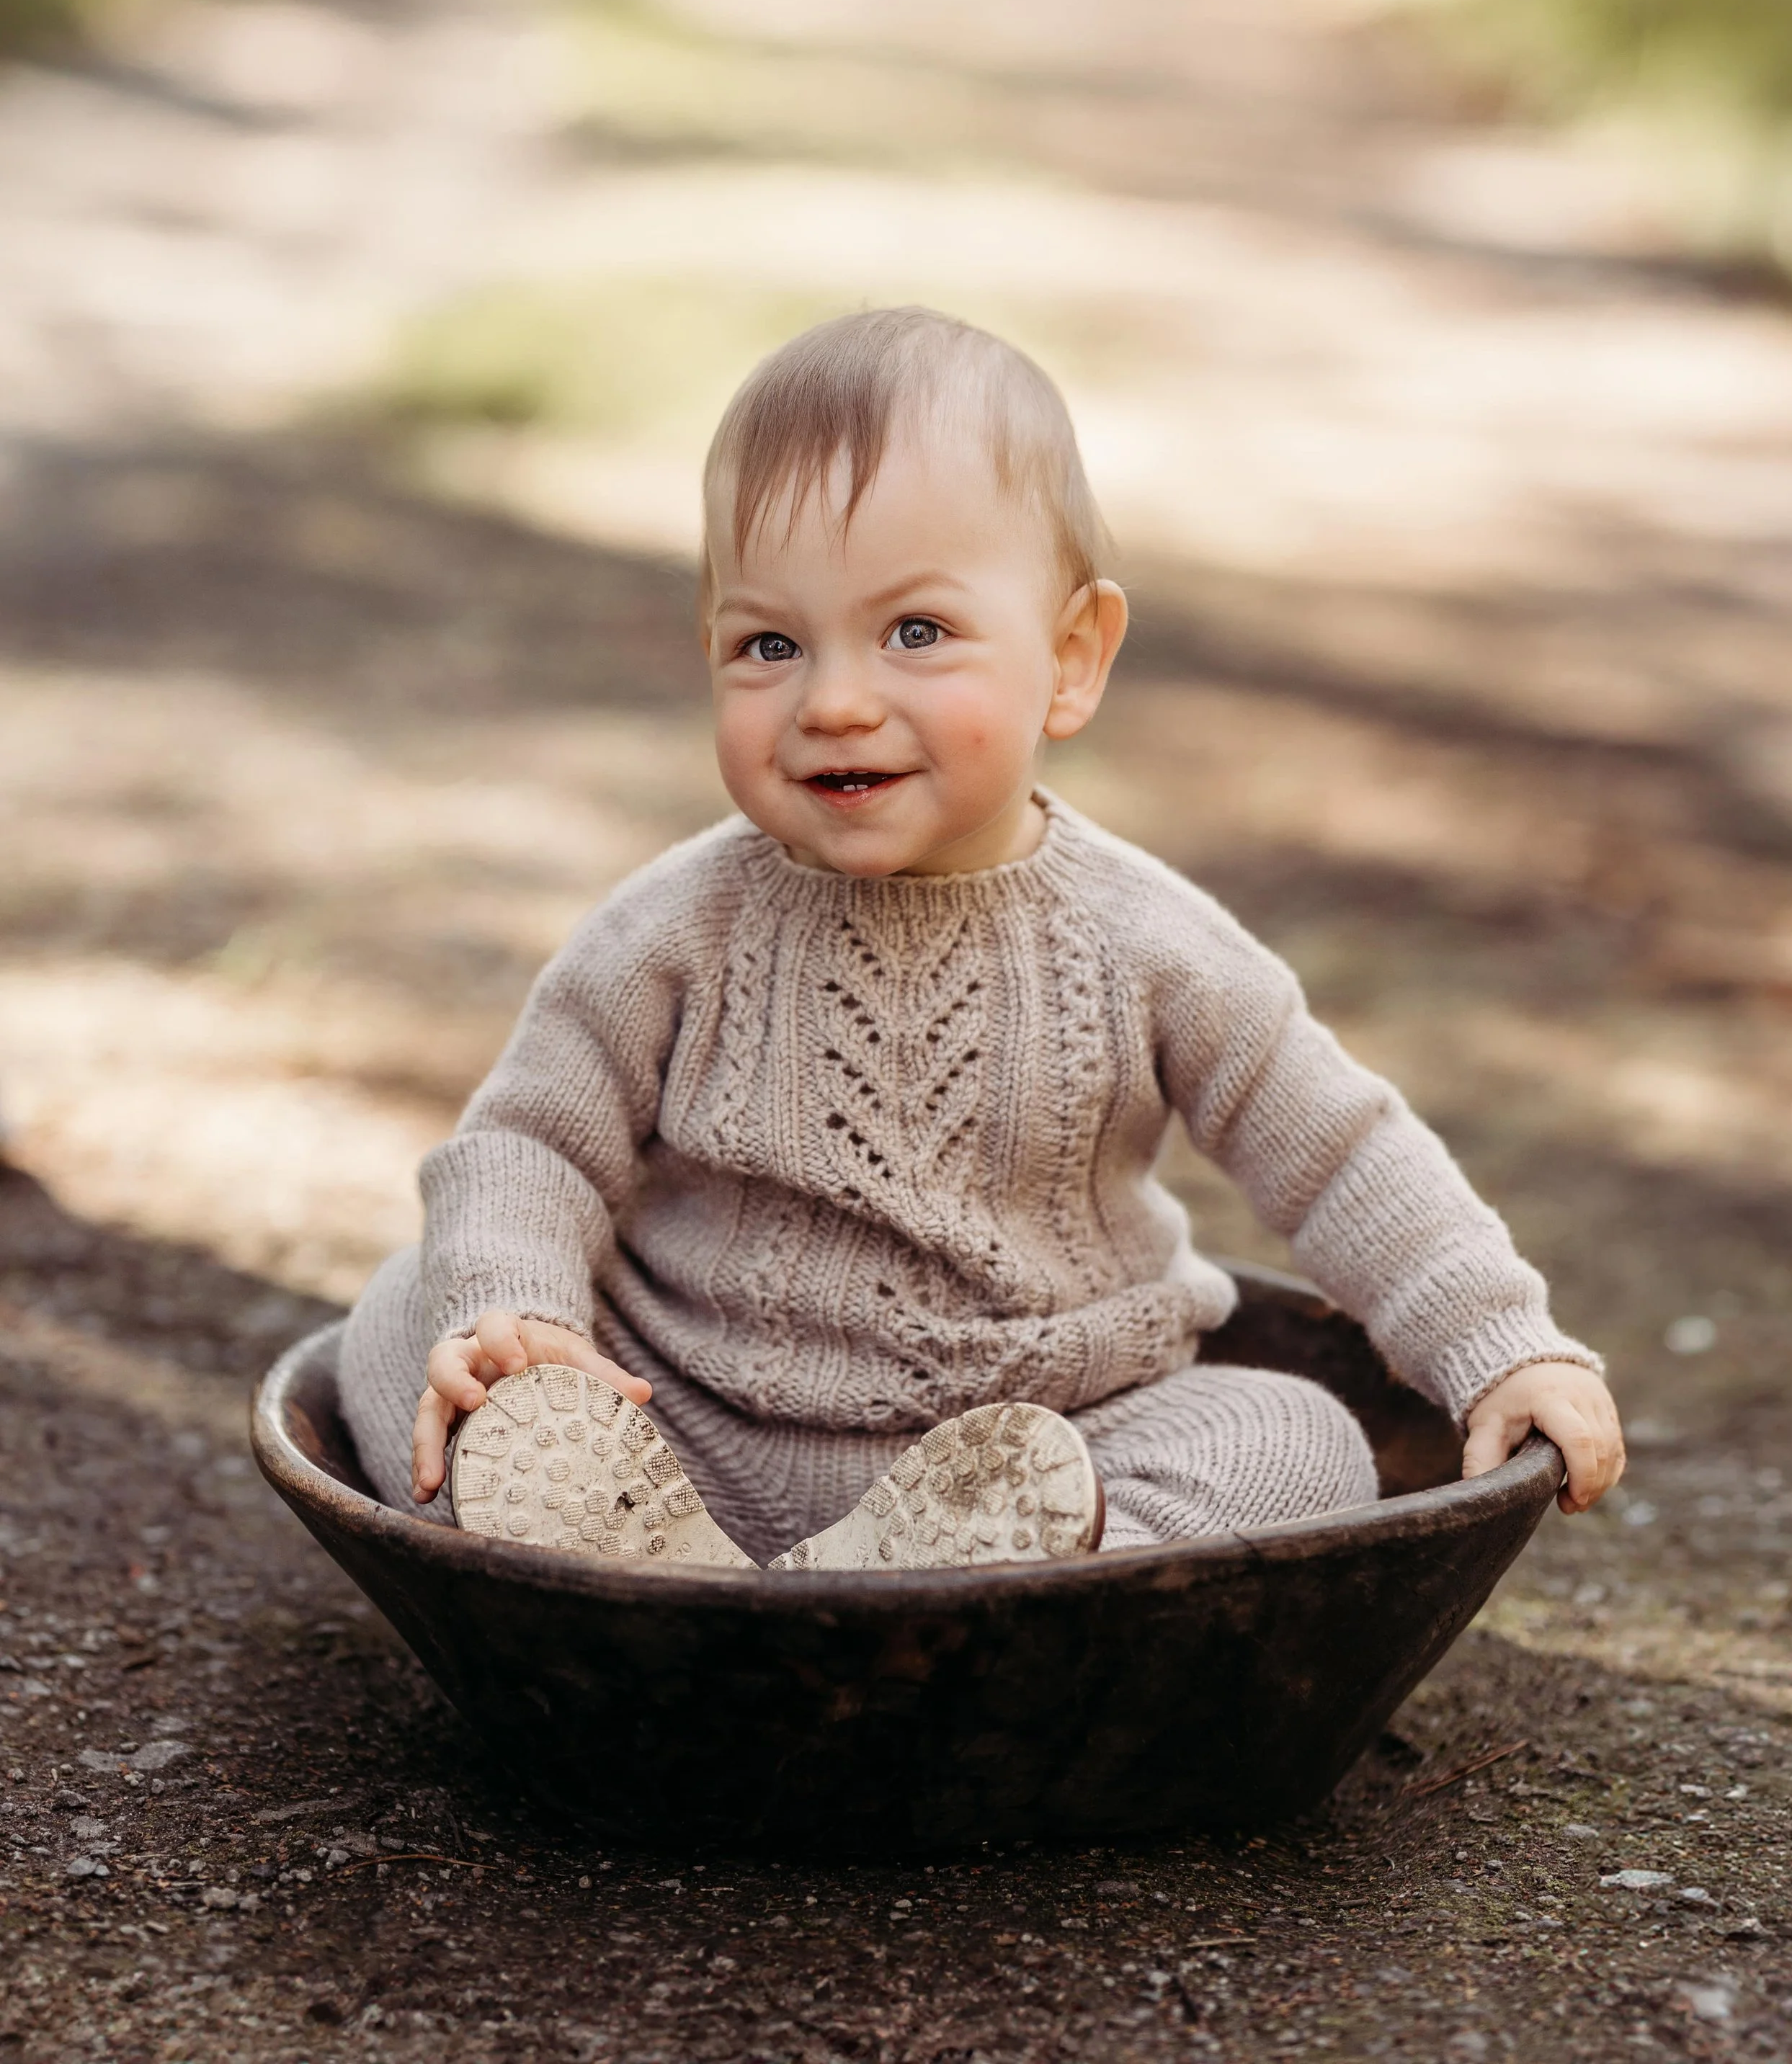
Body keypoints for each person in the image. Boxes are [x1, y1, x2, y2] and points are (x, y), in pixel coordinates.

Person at [340, 305, 1625, 1572]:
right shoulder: (673, 930)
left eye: (917, 632)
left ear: (1070, 659)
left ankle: (938, 1582)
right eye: (770, 644)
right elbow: (528, 1145)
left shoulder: (1148, 944)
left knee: (1291, 1438)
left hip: (1041, 1445)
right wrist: (516, 1316)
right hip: (685, 1432)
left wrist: (1501, 1342)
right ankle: (663, 1567)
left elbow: (1342, 1156)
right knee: (405, 1315)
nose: (835, 702)